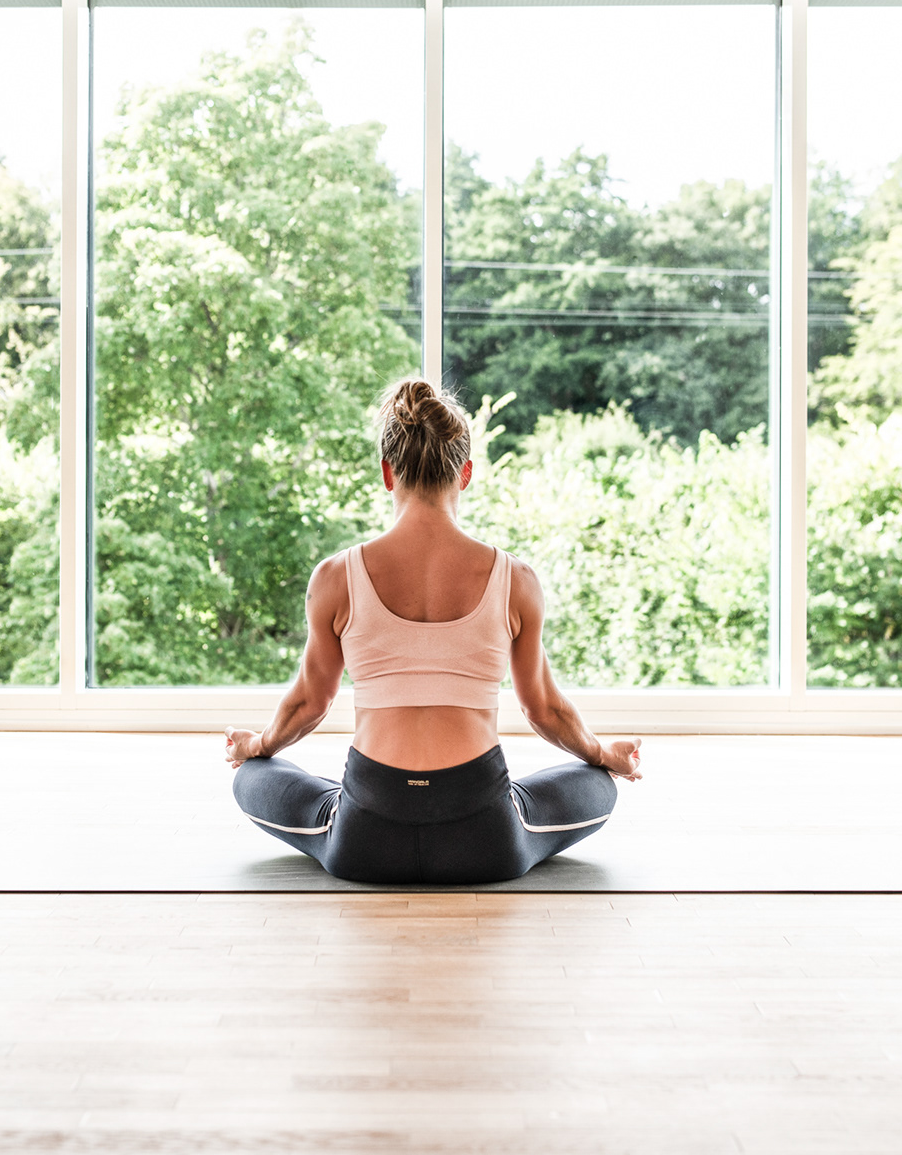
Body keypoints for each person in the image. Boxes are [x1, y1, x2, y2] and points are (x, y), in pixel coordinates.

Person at [226, 376, 643, 884]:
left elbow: (309, 704)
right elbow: (544, 710)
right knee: (599, 784)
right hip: (484, 840)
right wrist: (603, 754)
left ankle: (334, 805)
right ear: (466, 474)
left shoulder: (335, 578)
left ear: (386, 473)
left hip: (365, 840)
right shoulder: (517, 581)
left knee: (255, 776)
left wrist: (257, 746)